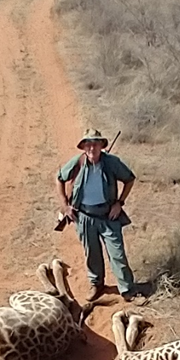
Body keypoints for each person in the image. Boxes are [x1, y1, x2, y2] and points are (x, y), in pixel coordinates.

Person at [56, 129, 137, 302]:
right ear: (84, 146)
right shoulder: (77, 162)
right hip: (84, 216)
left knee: (118, 254)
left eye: (96, 144)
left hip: (109, 215)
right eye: (88, 144)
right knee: (92, 253)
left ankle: (127, 290)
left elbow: (129, 179)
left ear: (101, 145)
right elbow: (59, 178)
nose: (92, 148)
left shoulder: (111, 162)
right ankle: (97, 285)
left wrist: (119, 203)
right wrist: (65, 206)